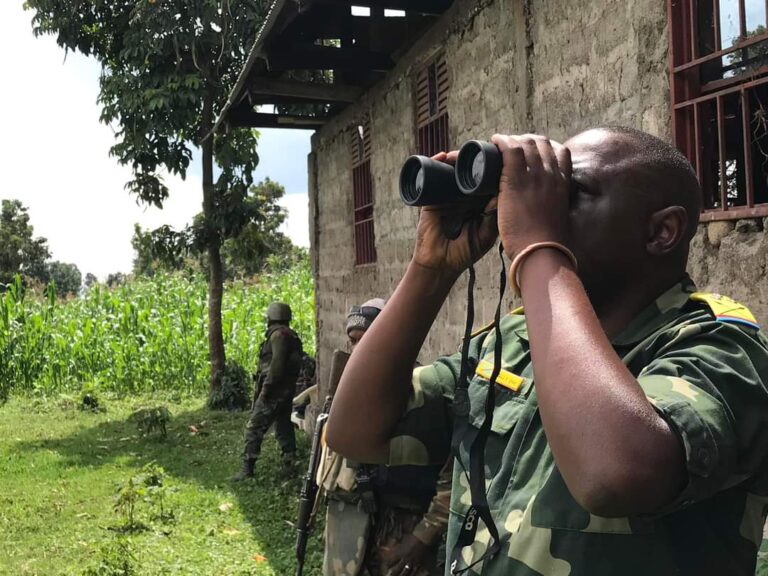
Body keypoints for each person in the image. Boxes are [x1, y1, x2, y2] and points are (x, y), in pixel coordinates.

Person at [326, 126, 768, 575]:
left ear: (662, 231)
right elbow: (355, 432)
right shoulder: (516, 341)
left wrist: (538, 246)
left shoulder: (720, 350)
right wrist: (431, 269)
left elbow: (613, 476)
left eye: (569, 192)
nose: (542, 207)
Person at [319, 299, 452, 576]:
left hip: (405, 528)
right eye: (353, 341)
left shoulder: (423, 393)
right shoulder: (350, 397)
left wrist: (421, 538)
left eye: (366, 340)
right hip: (358, 527)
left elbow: (451, 478)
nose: (358, 350)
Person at [232, 301, 303, 481]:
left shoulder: (278, 336)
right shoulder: (290, 335)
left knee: (254, 427)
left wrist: (266, 390)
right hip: (285, 390)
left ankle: (247, 468)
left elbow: (276, 367)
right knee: (283, 425)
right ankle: (290, 460)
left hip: (275, 391)